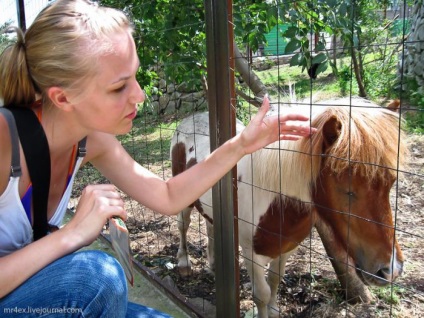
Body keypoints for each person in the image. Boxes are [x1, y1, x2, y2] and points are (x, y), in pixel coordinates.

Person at [0, 0, 316, 317]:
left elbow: (166, 196)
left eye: (135, 77)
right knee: (96, 276)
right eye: (119, 87)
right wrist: (71, 235)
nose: (139, 95)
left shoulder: (92, 140)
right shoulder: (4, 141)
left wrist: (242, 144)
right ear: (62, 97)